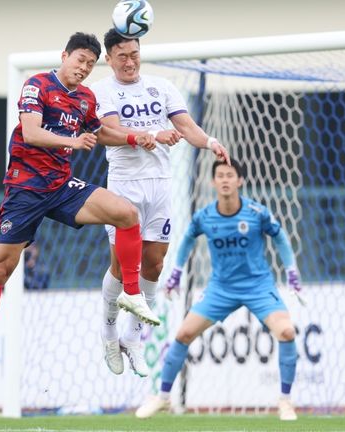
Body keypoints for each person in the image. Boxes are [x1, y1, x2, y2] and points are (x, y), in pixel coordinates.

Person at [0, 32, 159, 393]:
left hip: (61, 187)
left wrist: (135, 137)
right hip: (25, 189)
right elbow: (32, 133)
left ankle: (131, 292)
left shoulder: (85, 99)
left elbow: (100, 133)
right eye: (79, 59)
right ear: (64, 56)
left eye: (89, 64)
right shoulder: (36, 85)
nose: (83, 68)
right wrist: (71, 141)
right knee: (1, 270)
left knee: (127, 214)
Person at [89, 28, 230, 378]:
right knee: (123, 269)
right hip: (124, 186)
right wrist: (150, 136)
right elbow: (112, 131)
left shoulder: (161, 87)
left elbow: (186, 126)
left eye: (134, 54)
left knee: (154, 264)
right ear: (109, 59)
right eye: (121, 55)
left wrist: (210, 142)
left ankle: (133, 336)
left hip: (160, 185)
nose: (129, 61)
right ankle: (108, 330)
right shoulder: (102, 90)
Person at [135, 159, 304, 421]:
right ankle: (163, 397)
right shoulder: (204, 216)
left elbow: (280, 236)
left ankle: (285, 402)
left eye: (230, 175)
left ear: (240, 181)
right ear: (213, 182)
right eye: (220, 175)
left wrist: (291, 270)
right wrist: (177, 272)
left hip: (258, 286)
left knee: (287, 331)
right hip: (221, 288)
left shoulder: (256, 213)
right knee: (183, 334)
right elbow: (187, 240)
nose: (225, 180)